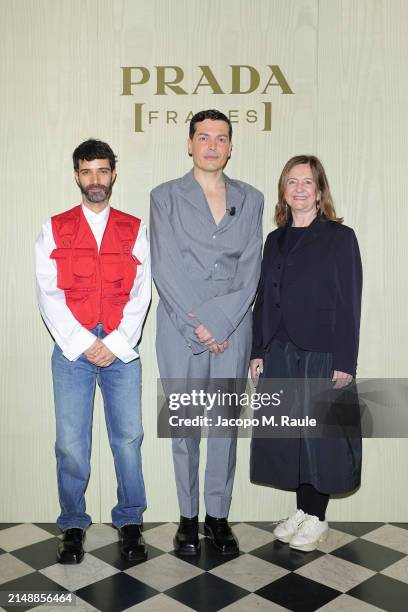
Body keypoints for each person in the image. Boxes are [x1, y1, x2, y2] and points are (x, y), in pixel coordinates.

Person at [150, 109, 263, 555]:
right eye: (203, 137)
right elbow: (165, 266)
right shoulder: (164, 197)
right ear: (190, 144)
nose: (212, 145)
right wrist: (198, 322)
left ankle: (217, 519)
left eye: (221, 138)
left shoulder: (251, 198)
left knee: (224, 427)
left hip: (233, 330)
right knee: (185, 427)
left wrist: (220, 323)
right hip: (180, 329)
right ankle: (187, 519)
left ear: (230, 147)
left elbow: (251, 268)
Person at [35, 139, 151, 564]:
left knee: (128, 439)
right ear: (76, 176)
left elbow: (142, 292)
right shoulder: (54, 227)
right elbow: (48, 293)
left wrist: (116, 344)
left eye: (102, 171)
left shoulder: (135, 227)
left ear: (113, 174)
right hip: (72, 351)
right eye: (87, 172)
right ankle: (71, 524)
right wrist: (85, 343)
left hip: (121, 349)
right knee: (70, 443)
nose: (95, 180)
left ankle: (130, 521)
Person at [250, 155, 362, 552]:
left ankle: (317, 517)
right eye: (292, 182)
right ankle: (301, 510)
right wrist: (257, 350)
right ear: (284, 190)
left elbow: (349, 301)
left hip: (320, 352)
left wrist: (345, 361)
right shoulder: (275, 239)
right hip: (280, 351)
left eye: (308, 182)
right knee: (291, 436)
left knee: (320, 437)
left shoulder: (339, 237)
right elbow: (264, 298)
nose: (299, 188)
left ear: (319, 191)